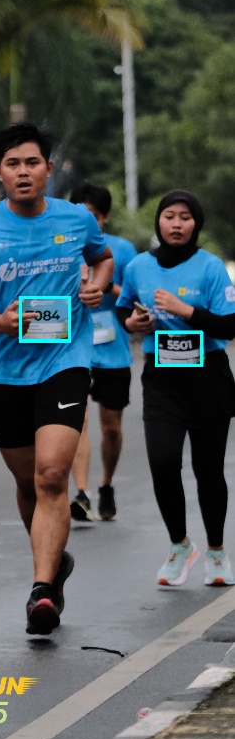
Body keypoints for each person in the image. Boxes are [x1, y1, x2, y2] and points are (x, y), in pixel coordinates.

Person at [0, 124, 113, 635]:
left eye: (32, 162)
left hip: (65, 360)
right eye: (13, 164)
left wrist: (96, 285)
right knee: (28, 483)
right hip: (5, 369)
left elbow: (102, 258)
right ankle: (55, 561)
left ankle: (42, 589)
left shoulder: (76, 219)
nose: (23, 172)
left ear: (49, 168)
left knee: (51, 476)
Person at [117, 190, 235, 587]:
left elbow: (229, 325)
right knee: (163, 461)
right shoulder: (139, 266)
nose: (177, 224)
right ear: (159, 222)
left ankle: (216, 552)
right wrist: (133, 323)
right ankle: (180, 545)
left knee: (208, 470)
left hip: (208, 378)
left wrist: (187, 312)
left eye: (186, 217)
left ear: (195, 224)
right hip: (162, 378)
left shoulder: (211, 267)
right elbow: (125, 308)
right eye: (170, 216)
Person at [69, 183, 137, 522]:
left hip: (112, 351)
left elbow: (136, 299)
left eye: (93, 216)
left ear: (105, 217)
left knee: (110, 427)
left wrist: (105, 284)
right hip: (72, 348)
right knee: (75, 422)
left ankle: (106, 483)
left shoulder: (122, 250)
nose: (87, 222)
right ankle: (81, 493)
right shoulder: (63, 249)